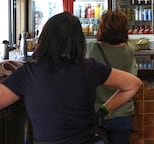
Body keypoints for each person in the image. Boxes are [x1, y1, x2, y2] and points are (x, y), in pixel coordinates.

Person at [0, 12, 142, 143]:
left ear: (44, 38)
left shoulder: (29, 73)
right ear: (78, 40)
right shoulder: (90, 68)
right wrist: (103, 111)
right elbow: (133, 84)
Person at [86, 10, 138, 144]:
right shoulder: (129, 50)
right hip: (122, 113)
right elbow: (133, 77)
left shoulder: (91, 48)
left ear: (102, 28)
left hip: (97, 113)